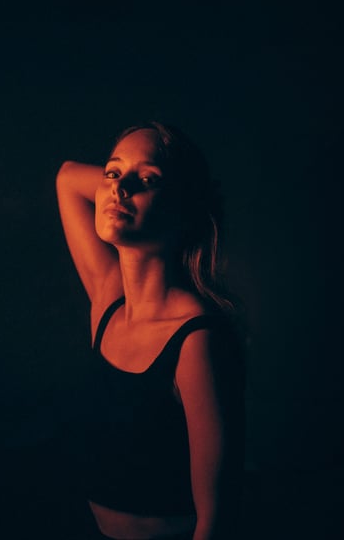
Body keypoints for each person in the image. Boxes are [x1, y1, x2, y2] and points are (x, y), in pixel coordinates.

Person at [56, 122, 245, 539]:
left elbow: (217, 516)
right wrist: (134, 182)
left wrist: (175, 191)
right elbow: (67, 178)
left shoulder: (197, 339)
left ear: (184, 208)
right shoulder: (109, 300)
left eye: (147, 180)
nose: (119, 188)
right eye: (112, 172)